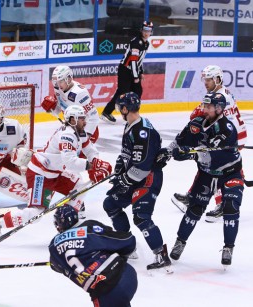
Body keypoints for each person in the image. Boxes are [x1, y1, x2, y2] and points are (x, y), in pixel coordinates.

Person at [0, 105, 112, 236]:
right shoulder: (67, 136)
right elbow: (70, 162)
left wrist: (96, 162)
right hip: (40, 174)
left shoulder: (79, 132)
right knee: (35, 214)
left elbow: (90, 150)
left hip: (55, 172)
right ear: (72, 120)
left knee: (80, 186)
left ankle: (69, 222)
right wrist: (93, 166)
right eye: (82, 118)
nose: (85, 121)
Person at [166, 92, 243, 267]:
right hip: (207, 174)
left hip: (229, 173)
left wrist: (187, 154)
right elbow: (179, 141)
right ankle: (180, 242)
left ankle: (228, 248)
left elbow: (207, 155)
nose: (204, 109)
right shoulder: (197, 123)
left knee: (230, 207)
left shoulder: (227, 129)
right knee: (194, 209)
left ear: (219, 109)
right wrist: (167, 152)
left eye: (208, 107)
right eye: (204, 105)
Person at [102, 92, 172, 272]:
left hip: (148, 178)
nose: (118, 111)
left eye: (120, 108)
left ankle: (161, 255)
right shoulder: (131, 126)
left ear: (126, 108)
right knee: (110, 204)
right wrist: (119, 166)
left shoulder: (143, 132)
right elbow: (127, 153)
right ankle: (127, 245)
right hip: (134, 176)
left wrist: (124, 180)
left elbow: (142, 167)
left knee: (141, 216)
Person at [171, 65, 248, 223]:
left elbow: (195, 115)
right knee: (208, 165)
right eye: (204, 79)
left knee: (216, 167)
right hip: (230, 133)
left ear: (218, 79)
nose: (205, 82)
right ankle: (193, 195)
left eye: (208, 79)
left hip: (230, 136)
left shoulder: (220, 97)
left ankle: (221, 204)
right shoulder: (219, 93)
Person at [48, 205, 138, 307]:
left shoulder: (53, 247)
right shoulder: (89, 227)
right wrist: (122, 258)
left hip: (107, 292)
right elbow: (127, 241)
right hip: (127, 274)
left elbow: (56, 266)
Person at [101, 21, 153, 124]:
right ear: (141, 30)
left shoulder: (146, 43)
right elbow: (133, 61)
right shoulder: (136, 42)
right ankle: (107, 112)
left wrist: (140, 72)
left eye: (149, 31)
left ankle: (131, 111)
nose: (147, 33)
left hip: (133, 70)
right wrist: (135, 76)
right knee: (122, 92)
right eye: (145, 30)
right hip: (125, 70)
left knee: (137, 91)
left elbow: (139, 60)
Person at [41, 65, 101, 145]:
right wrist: (52, 108)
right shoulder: (58, 89)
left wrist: (85, 137)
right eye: (56, 82)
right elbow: (60, 109)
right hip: (70, 129)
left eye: (61, 81)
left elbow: (94, 117)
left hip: (86, 131)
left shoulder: (80, 93)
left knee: (74, 156)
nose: (58, 85)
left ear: (69, 79)